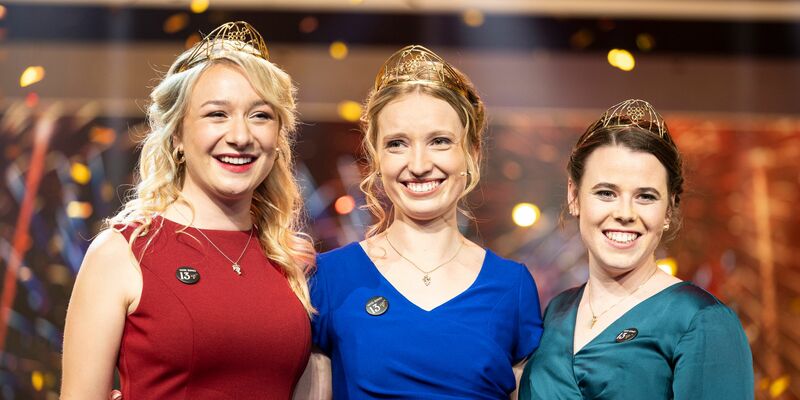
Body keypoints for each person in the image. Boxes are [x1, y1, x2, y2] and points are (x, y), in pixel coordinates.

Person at [61, 21, 315, 399]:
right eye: (217, 114)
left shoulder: (291, 261)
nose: (241, 136)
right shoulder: (121, 253)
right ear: (177, 135)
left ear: (278, 138)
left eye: (260, 115)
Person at [299, 45, 544, 399]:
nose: (418, 164)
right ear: (377, 156)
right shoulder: (329, 277)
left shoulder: (511, 286)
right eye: (397, 143)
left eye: (439, 141)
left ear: (471, 152)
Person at [519, 99, 754, 399]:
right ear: (574, 195)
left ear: (669, 210)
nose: (625, 213)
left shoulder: (701, 320)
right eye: (606, 193)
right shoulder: (556, 312)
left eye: (645, 196)